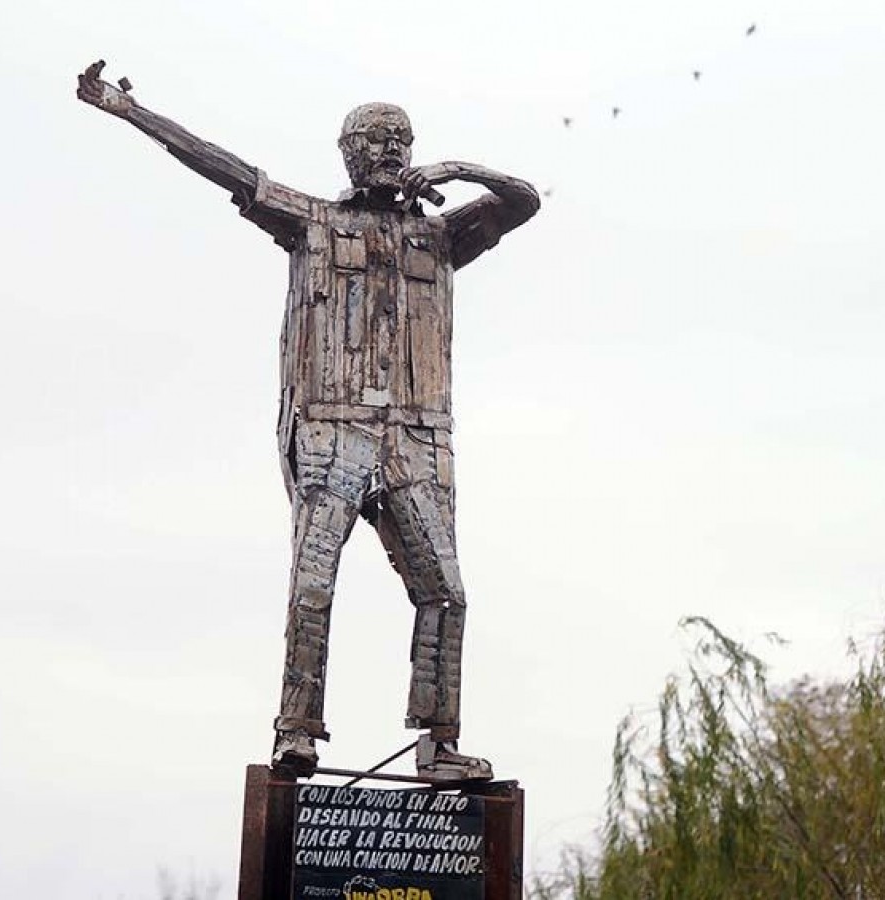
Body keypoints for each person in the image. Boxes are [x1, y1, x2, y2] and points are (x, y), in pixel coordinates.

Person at [76, 61, 540, 781]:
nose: (391, 150)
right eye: (375, 139)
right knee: (314, 581)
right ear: (349, 153)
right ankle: (297, 730)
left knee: (447, 592)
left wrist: (458, 166)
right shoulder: (313, 222)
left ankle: (439, 743)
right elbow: (224, 168)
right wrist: (132, 113)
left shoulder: (442, 240)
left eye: (403, 140)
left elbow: (524, 199)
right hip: (331, 427)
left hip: (418, 436)